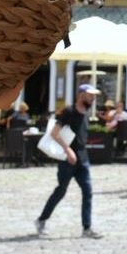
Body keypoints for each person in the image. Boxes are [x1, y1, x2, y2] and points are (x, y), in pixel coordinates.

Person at [36, 83, 101, 238]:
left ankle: (87, 228)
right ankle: (42, 220)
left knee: (88, 192)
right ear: (81, 95)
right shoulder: (69, 111)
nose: (92, 98)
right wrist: (68, 149)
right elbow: (54, 133)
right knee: (61, 191)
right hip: (67, 160)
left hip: (82, 159)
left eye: (93, 96)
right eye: (90, 95)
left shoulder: (85, 112)